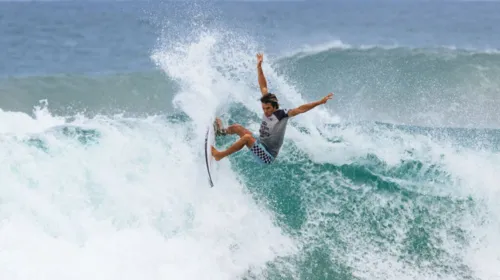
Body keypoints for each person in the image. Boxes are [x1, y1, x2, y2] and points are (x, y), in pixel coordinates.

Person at [211, 53, 333, 164]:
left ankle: (220, 155)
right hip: (260, 142)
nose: (266, 111)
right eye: (264, 108)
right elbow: (263, 86)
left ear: (275, 106)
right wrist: (259, 67)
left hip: (267, 155)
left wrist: (320, 102)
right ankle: (220, 132)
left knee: (247, 138)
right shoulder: (267, 103)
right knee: (237, 127)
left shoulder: (282, 115)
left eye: (268, 108)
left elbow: (301, 109)